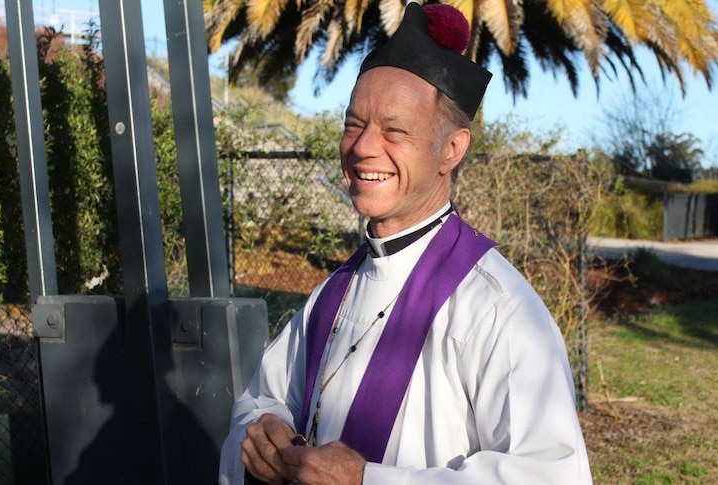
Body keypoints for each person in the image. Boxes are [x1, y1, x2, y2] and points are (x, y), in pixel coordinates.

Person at [219, 2, 593, 484]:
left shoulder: (496, 308)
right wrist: (260, 435)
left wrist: (367, 480)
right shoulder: (334, 292)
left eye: (394, 130)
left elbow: (550, 476)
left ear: (451, 150)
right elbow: (263, 399)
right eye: (354, 123)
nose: (362, 147)